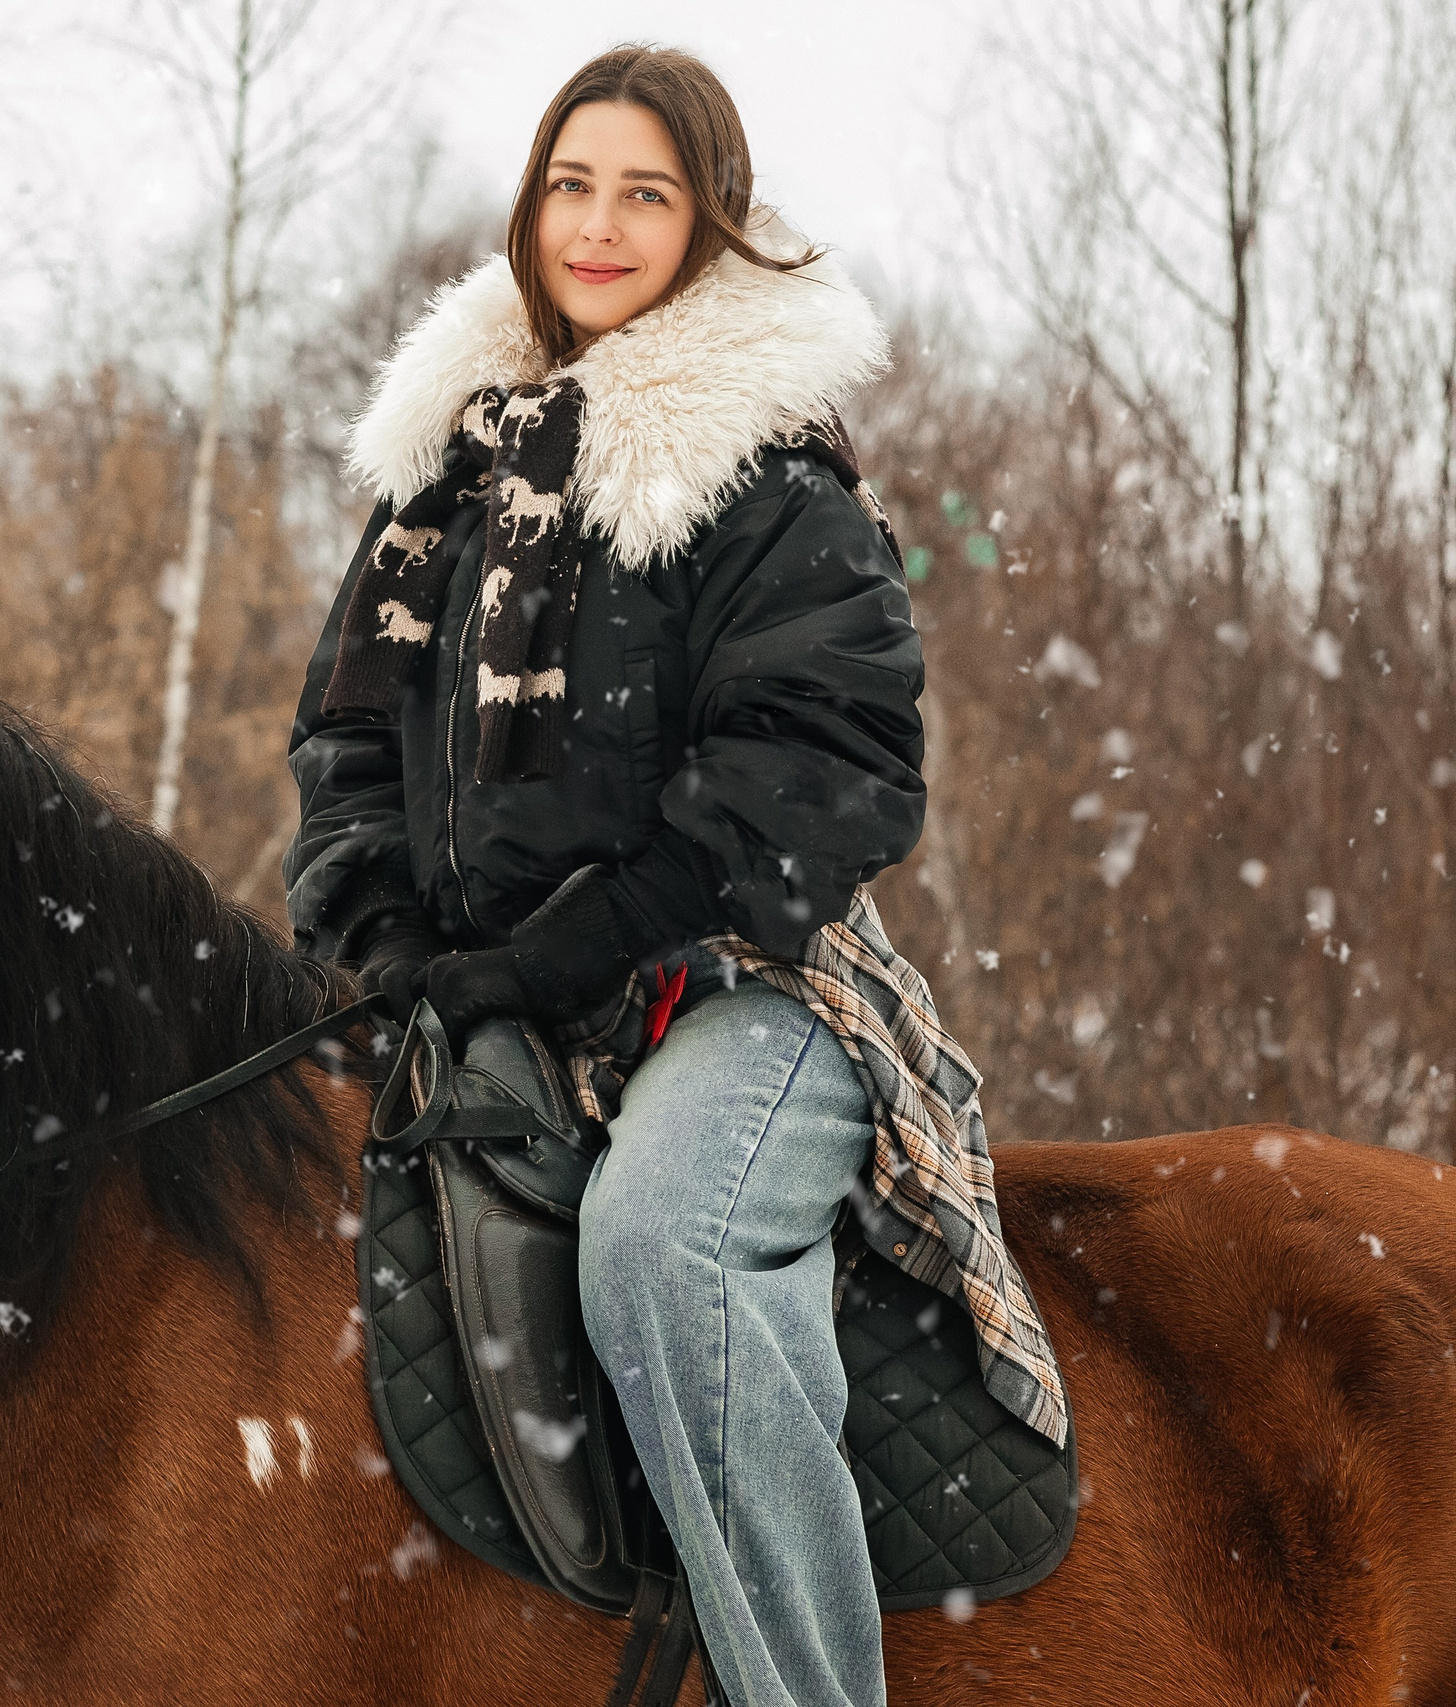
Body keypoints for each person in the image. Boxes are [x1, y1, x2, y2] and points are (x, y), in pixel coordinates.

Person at [285, 45, 1065, 1707]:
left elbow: (826, 774)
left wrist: (582, 943)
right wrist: (384, 931)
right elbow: (345, 744)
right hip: (477, 992)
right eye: (570, 185)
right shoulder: (444, 477)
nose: (598, 225)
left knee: (662, 1249)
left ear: (710, 221)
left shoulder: (767, 476)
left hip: (745, 991)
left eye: (645, 193)